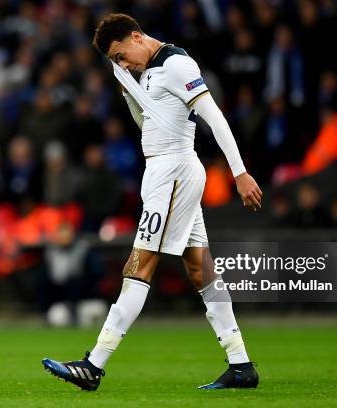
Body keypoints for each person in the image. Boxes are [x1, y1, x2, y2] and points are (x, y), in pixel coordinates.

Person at [42, 13, 263, 391]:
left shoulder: (177, 64)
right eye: (115, 62)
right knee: (199, 269)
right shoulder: (141, 72)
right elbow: (151, 125)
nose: (121, 64)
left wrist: (239, 171)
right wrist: (130, 94)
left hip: (174, 171)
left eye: (120, 55)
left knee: (139, 264)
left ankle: (93, 364)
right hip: (163, 172)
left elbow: (214, 116)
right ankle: (241, 364)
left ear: (135, 36)